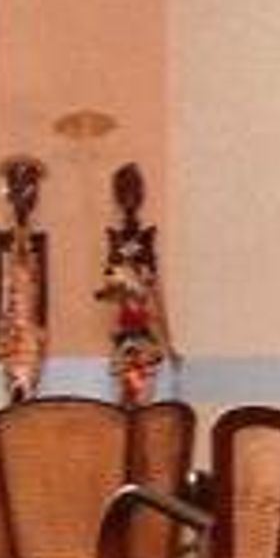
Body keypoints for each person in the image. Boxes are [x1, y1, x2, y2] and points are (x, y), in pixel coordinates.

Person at [97, 161, 173, 407]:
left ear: (139, 195)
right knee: (124, 402)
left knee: (142, 401)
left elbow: (155, 295)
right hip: (124, 339)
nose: (128, 199)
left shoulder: (145, 240)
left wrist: (168, 343)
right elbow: (110, 291)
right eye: (123, 192)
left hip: (144, 339)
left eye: (133, 191)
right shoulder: (116, 242)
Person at [0, 154, 49, 402]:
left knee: (29, 392)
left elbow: (43, 290)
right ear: (9, 194)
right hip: (12, 332)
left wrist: (44, 331)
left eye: (29, 188)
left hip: (31, 333)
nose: (23, 196)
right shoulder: (4, 240)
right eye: (17, 188)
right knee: (13, 394)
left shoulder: (38, 240)